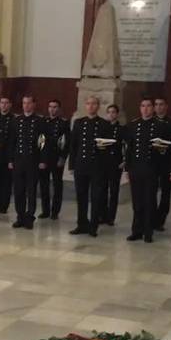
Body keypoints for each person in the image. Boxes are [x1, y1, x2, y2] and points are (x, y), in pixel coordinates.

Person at [68, 96, 110, 237]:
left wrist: (104, 167)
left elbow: (108, 148)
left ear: (98, 106)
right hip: (81, 165)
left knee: (96, 197)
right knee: (81, 197)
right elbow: (73, 146)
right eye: (88, 103)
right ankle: (81, 224)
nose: (91, 106)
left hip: (97, 166)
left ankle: (93, 226)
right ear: (85, 106)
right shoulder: (79, 123)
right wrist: (72, 165)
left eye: (94, 104)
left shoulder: (104, 124)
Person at [123, 97, 161, 243]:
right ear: (140, 108)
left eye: (148, 106)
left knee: (149, 201)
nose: (145, 109)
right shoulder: (133, 125)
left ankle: (148, 231)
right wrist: (127, 168)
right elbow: (129, 149)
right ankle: (136, 230)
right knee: (137, 202)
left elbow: (163, 150)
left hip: (151, 169)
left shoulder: (159, 125)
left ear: (153, 108)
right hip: (135, 168)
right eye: (143, 106)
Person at [9, 95, 45, 229]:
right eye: (24, 103)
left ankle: (30, 217)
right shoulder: (16, 120)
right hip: (18, 160)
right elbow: (12, 142)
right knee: (19, 191)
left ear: (34, 104)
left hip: (33, 160)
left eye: (29, 103)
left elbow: (43, 142)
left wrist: (42, 160)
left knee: (31, 191)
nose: (26, 106)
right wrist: (10, 159)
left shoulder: (40, 121)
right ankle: (20, 216)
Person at [39, 99, 71, 220]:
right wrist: (40, 159)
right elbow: (40, 141)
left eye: (55, 107)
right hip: (44, 158)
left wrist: (62, 158)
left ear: (59, 108)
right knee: (44, 185)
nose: (52, 109)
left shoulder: (64, 123)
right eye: (50, 106)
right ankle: (45, 210)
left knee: (57, 186)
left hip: (57, 158)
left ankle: (55, 212)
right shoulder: (43, 121)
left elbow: (67, 142)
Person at [153, 97, 171, 231]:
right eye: (156, 105)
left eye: (161, 104)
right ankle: (150, 218)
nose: (158, 107)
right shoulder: (150, 122)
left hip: (167, 162)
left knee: (165, 192)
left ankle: (160, 220)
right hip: (152, 162)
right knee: (150, 192)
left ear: (166, 106)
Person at [101, 104, 124, 226]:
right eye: (109, 112)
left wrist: (124, 161)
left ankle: (111, 217)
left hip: (116, 163)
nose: (111, 114)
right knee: (102, 190)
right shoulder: (102, 128)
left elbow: (126, 146)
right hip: (103, 163)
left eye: (113, 112)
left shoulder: (121, 129)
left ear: (117, 114)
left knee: (114, 191)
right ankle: (102, 215)